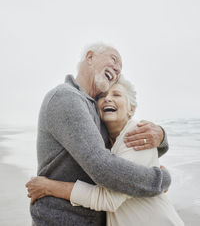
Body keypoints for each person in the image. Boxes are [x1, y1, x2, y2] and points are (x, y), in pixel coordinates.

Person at [28, 43, 171, 226]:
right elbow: (103, 168)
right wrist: (161, 181)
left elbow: (124, 150)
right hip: (62, 219)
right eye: (114, 59)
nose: (117, 69)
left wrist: (161, 137)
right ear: (90, 57)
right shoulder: (67, 97)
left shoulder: (96, 109)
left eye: (120, 69)